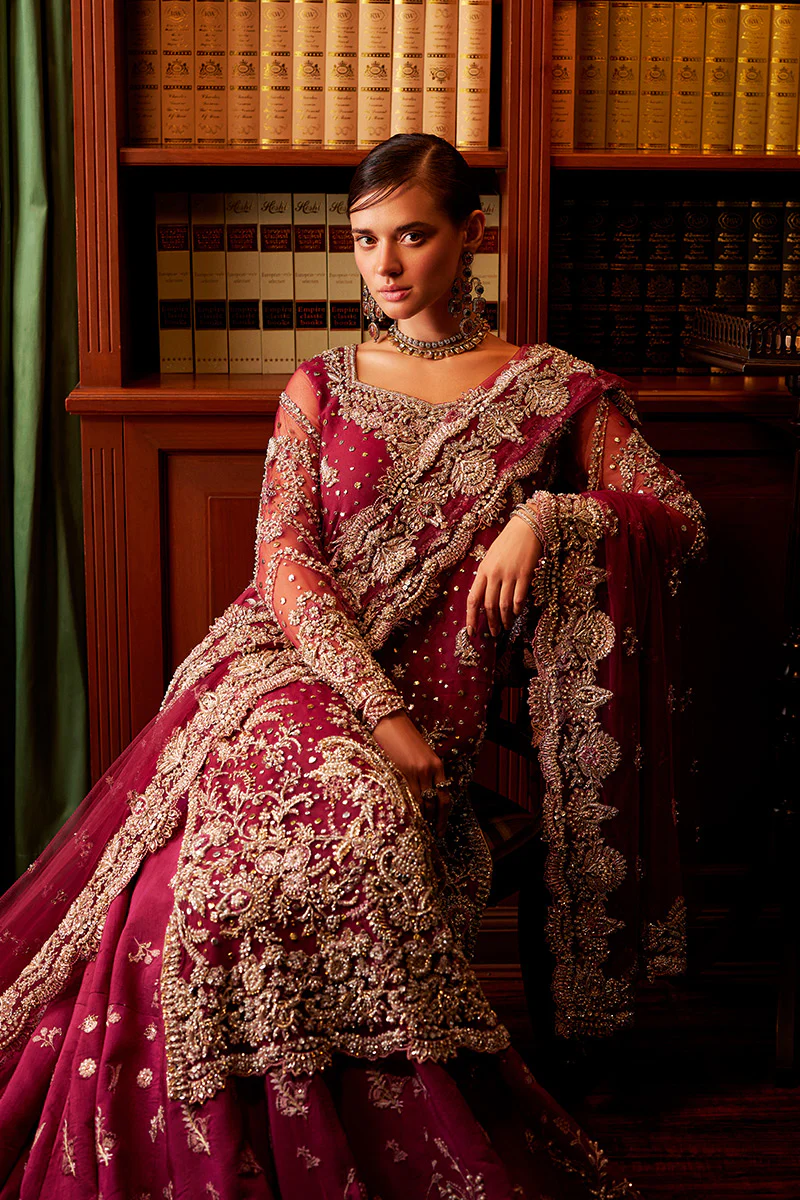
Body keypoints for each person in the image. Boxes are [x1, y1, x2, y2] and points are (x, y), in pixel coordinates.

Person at [0, 134, 705, 1198]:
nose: (385, 264)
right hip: (283, 674)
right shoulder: (320, 383)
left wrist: (552, 518)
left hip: (433, 698)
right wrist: (381, 714)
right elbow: (282, 563)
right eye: (365, 240)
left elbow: (676, 517)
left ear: (472, 234)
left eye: (411, 235)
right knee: (182, 895)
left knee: (338, 853)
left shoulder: (550, 388)